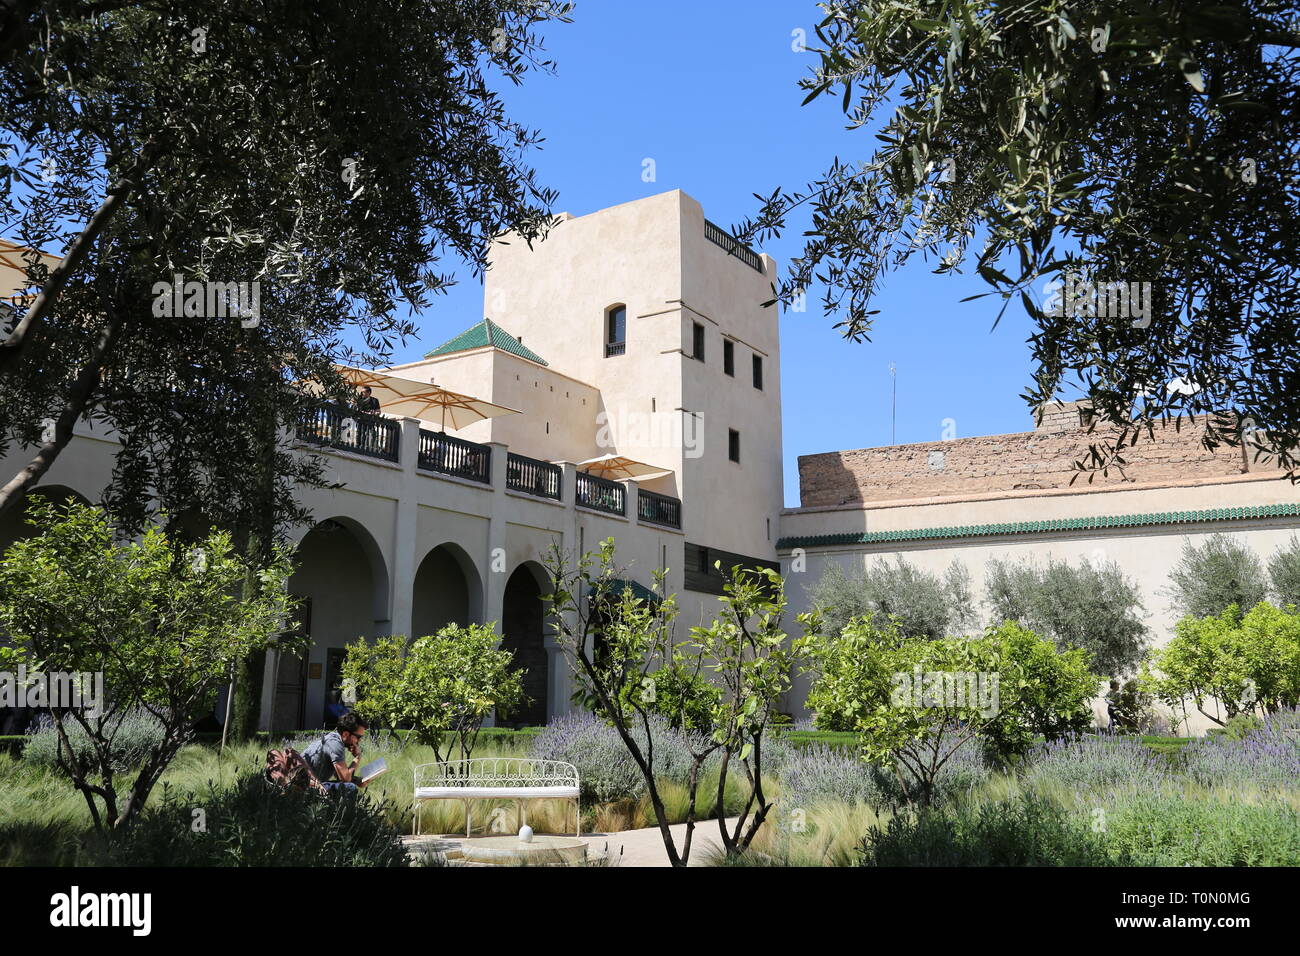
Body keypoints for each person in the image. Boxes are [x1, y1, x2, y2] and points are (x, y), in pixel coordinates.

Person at [301, 712, 370, 792]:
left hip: (311, 784)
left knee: (349, 785)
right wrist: (357, 757)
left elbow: (339, 776)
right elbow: (345, 779)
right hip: (303, 787)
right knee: (350, 788)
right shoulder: (335, 743)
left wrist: (357, 781)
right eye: (358, 737)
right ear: (345, 734)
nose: (359, 740)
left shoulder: (335, 740)